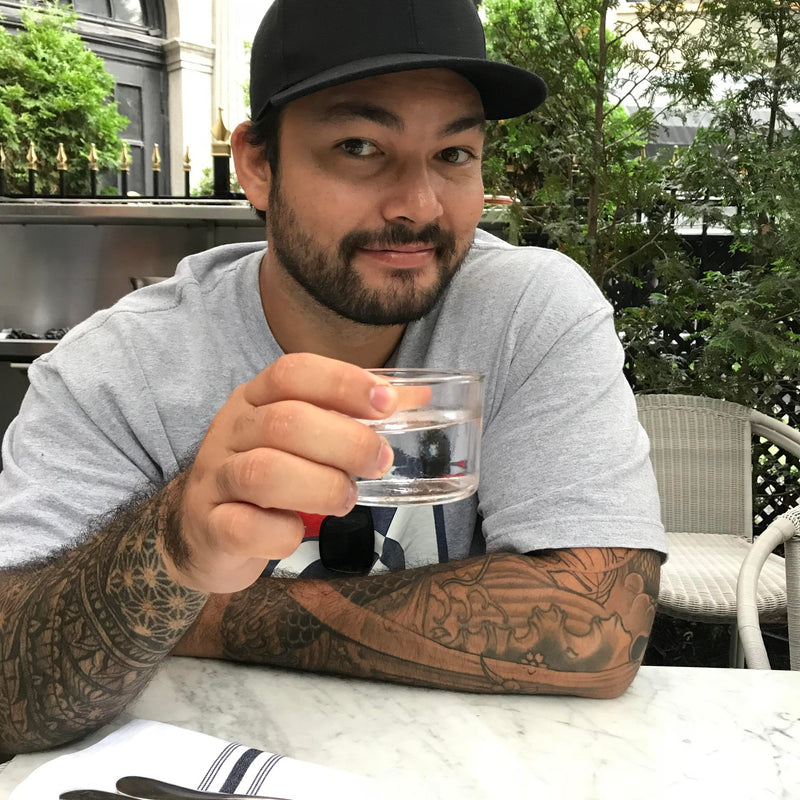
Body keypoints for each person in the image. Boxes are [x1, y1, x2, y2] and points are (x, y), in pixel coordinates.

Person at [0, 0, 666, 758]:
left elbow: (598, 626)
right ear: (257, 164)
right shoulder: (119, 368)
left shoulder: (528, 311)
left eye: (454, 154)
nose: (418, 206)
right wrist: (171, 544)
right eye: (359, 146)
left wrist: (193, 609)